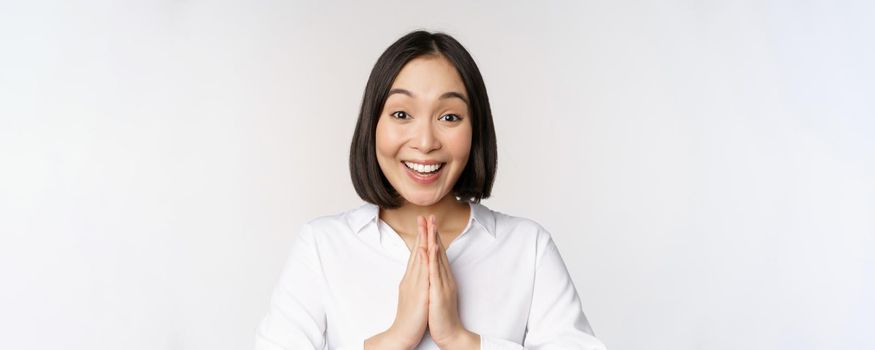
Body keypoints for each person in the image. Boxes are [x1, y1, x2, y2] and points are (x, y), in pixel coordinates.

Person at [255, 30, 607, 350]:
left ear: (476, 129)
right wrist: (392, 341)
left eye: (449, 117)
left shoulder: (528, 248)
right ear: (372, 124)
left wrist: (461, 340)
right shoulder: (322, 246)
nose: (425, 143)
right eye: (401, 114)